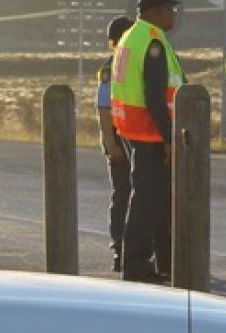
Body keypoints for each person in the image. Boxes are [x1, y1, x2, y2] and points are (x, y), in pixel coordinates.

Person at [111, 0, 186, 283]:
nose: (175, 14)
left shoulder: (132, 36)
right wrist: (169, 139)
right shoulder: (152, 41)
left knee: (151, 198)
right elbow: (155, 96)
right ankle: (137, 264)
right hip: (149, 132)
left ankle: (161, 261)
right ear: (156, 12)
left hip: (134, 130)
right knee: (148, 200)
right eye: (171, 9)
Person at [96, 16, 135, 272]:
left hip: (133, 137)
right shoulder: (112, 68)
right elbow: (104, 108)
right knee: (123, 194)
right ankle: (120, 248)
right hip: (119, 139)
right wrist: (111, 144)